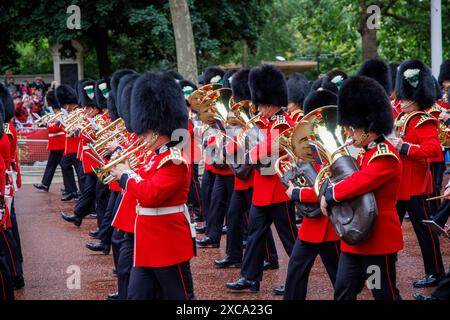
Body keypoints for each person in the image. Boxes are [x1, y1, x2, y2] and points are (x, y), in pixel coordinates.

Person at [110, 70, 195, 300]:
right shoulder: (154, 157)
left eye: (143, 132)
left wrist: (126, 176)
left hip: (168, 245)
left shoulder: (174, 160)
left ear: (156, 129)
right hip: (146, 245)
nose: (139, 137)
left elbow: (151, 195)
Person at [320, 75, 403, 300]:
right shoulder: (366, 153)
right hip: (354, 237)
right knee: (343, 291)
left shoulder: (385, 156)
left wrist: (331, 193)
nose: (350, 133)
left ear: (369, 127)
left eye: (353, 128)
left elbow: (360, 182)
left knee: (382, 292)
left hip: (377, 240)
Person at [226, 64, 298, 293]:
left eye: (262, 104)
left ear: (273, 102)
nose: (258, 108)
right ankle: (250, 278)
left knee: (290, 240)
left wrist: (248, 154)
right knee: (255, 235)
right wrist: (230, 145)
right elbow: (238, 144)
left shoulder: (285, 123)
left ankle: (296, 282)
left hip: (280, 188)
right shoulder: (259, 122)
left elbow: (269, 146)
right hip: (261, 190)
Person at [392, 59, 445, 288]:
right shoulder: (401, 118)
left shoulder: (423, 121)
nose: (401, 101)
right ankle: (384, 264)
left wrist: (403, 147)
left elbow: (432, 150)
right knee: (389, 226)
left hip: (414, 185)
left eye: (406, 98)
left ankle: (435, 272)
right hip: (398, 183)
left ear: (417, 98)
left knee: (424, 231)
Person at [33, 91, 66, 192]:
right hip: (54, 144)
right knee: (51, 165)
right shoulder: (53, 114)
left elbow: (55, 129)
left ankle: (69, 188)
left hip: (60, 144)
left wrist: (47, 124)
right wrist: (44, 123)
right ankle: (45, 184)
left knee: (65, 167)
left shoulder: (60, 114)